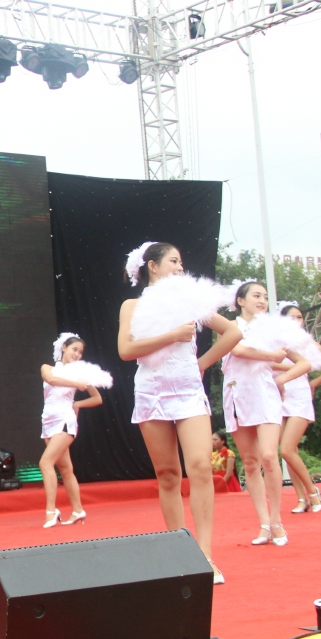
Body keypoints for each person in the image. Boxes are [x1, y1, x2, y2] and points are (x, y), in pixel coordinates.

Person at [117, 242, 242, 584]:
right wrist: (171, 335)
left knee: (200, 466)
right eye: (173, 260)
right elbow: (126, 350)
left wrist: (201, 363)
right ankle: (179, 554)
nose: (180, 267)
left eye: (181, 262)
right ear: (153, 266)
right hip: (151, 392)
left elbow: (233, 332)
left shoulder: (191, 301)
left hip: (188, 392)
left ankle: (205, 556)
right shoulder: (133, 305)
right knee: (169, 474)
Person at [221, 282, 311, 547]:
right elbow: (238, 349)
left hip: (265, 395)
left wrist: (281, 379)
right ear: (241, 301)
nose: (262, 300)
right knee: (250, 462)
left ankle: (276, 521)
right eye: (256, 296)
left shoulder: (274, 330)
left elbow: (304, 363)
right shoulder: (230, 326)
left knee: (270, 456)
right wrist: (271, 356)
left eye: (265, 297)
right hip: (237, 394)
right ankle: (263, 523)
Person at [276, 304, 321, 513]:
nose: (297, 321)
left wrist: (314, 383)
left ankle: (313, 491)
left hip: (299, 397)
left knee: (287, 448)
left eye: (299, 317)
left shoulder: (308, 343)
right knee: (288, 453)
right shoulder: (276, 342)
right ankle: (301, 498)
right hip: (278, 396)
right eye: (292, 317)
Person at [38, 333, 109, 526]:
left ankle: (51, 511)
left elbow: (97, 398)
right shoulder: (47, 368)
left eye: (80, 352)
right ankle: (78, 510)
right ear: (64, 348)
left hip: (65, 420)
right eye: (74, 349)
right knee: (66, 469)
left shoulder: (80, 373)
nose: (77, 354)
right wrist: (75, 383)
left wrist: (77, 404)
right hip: (48, 421)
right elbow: (51, 380)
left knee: (45, 463)